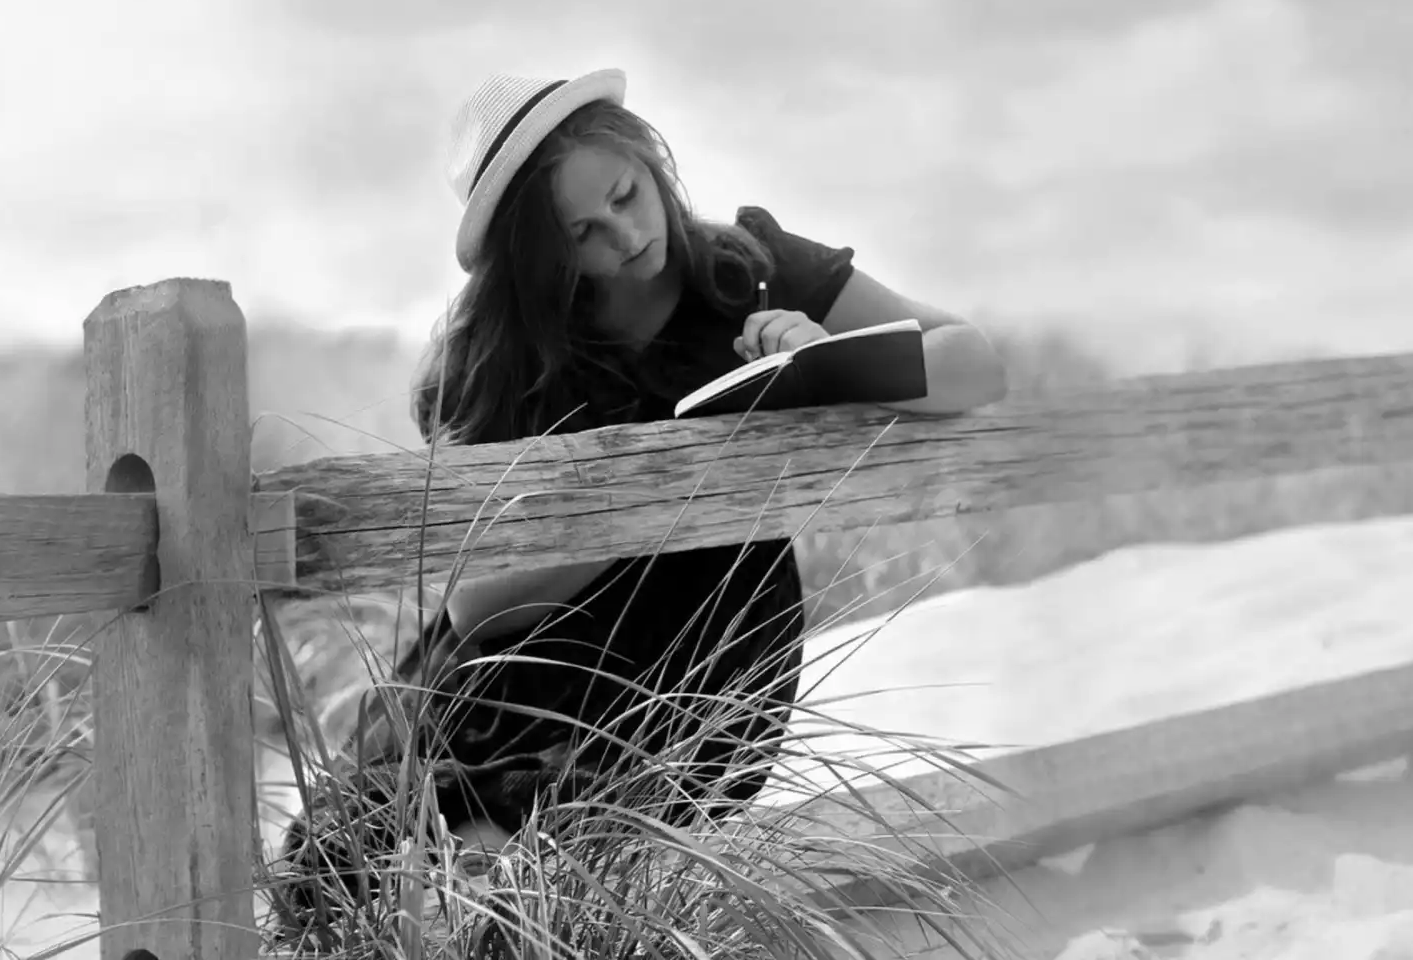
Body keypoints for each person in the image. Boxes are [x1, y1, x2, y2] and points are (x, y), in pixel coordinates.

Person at [272, 68, 1009, 931]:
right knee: (348, 877)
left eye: (626, 195)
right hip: (522, 669)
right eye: (583, 232)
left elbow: (974, 365)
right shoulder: (499, 353)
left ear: (647, 159)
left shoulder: (753, 271)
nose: (624, 236)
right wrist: (663, 490)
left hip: (700, 655)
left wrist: (828, 362)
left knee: (540, 888)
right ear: (541, 258)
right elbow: (474, 601)